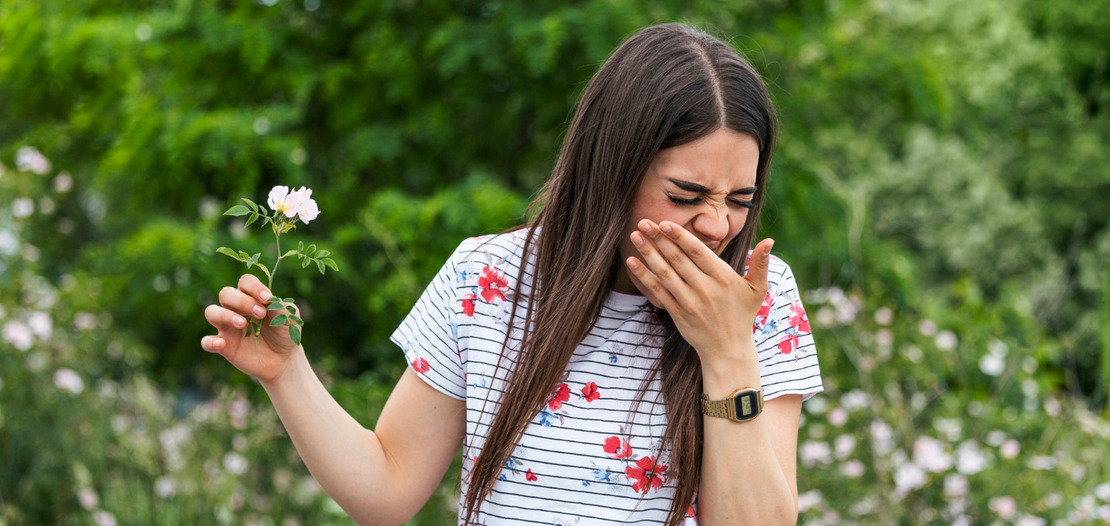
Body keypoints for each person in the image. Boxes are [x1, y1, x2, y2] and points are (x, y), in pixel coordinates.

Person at [201, 23, 821, 526]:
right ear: (614, 169)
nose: (717, 225)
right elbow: (387, 490)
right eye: (686, 194)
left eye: (740, 198)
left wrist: (727, 351)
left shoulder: (762, 299)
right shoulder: (489, 278)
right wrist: (287, 374)